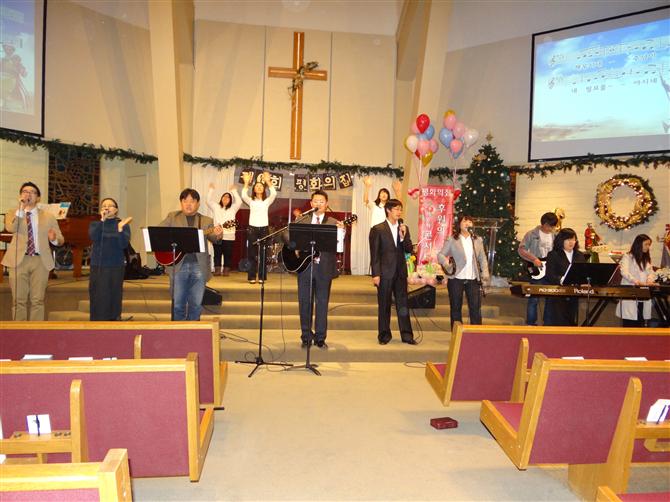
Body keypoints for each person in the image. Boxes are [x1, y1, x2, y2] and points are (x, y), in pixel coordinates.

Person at [2, 182, 64, 320]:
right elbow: (11, 228)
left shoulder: (48, 216)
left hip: (40, 260)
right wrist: (21, 210)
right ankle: (19, 330)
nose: (28, 194)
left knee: (38, 300)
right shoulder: (13, 213)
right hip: (19, 260)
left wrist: (54, 239)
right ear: (20, 195)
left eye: (32, 192)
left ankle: (36, 330)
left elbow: (61, 239)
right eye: (25, 191)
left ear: (38, 198)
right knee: (18, 300)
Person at [290, 190, 344, 349]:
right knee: (304, 302)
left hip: (324, 268)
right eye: (316, 201)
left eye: (322, 201)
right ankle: (306, 336)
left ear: (327, 204)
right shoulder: (302, 220)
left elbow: (339, 248)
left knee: (322, 302)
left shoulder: (334, 222)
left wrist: (341, 232)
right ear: (311, 203)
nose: (318, 204)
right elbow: (293, 244)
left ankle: (320, 337)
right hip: (305, 267)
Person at [159, 188, 223, 320]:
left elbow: (214, 238)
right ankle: (178, 330)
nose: (188, 204)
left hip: (198, 266)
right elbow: (159, 233)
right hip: (178, 265)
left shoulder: (206, 220)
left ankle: (193, 330)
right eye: (185, 201)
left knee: (196, 304)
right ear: (181, 203)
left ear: (198, 204)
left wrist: (218, 234)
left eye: (192, 201)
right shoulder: (172, 217)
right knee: (178, 304)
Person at [369, 198, 416, 345]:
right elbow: (374, 254)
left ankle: (407, 335)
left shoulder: (403, 228)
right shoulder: (378, 229)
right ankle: (384, 335)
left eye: (400, 209)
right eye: (396, 209)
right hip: (384, 272)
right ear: (388, 210)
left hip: (400, 272)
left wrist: (403, 237)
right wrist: (376, 274)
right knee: (384, 304)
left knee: (403, 305)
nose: (399, 212)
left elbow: (409, 249)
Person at [437, 214, 490, 329]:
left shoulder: (477, 240)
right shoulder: (452, 239)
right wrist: (448, 266)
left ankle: (476, 333)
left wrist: (485, 274)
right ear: (459, 224)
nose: (467, 224)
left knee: (475, 308)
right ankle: (457, 334)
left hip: (473, 279)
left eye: (470, 222)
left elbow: (482, 258)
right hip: (456, 278)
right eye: (464, 221)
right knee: (456, 307)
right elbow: (440, 255)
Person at [88, 198, 132, 321]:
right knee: (98, 295)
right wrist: (102, 220)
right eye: (104, 206)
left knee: (114, 294)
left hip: (116, 266)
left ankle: (114, 320)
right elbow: (93, 237)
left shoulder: (123, 225)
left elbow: (123, 244)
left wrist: (120, 229)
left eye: (110, 205)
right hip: (98, 266)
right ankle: (97, 322)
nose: (107, 207)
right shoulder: (96, 224)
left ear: (116, 210)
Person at [517, 212, 558, 325]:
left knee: (550, 297)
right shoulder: (531, 234)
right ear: (544, 224)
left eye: (553, 226)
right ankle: (531, 323)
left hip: (550, 269)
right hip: (537, 269)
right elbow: (521, 249)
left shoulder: (555, 236)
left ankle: (548, 323)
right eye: (550, 226)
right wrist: (534, 259)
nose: (551, 228)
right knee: (534, 298)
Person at [544, 228, 587, 326]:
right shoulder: (553, 255)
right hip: (558, 295)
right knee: (557, 322)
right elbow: (550, 275)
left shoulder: (579, 255)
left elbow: (583, 273)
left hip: (574, 294)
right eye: (568, 239)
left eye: (573, 239)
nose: (571, 242)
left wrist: (583, 281)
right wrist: (562, 279)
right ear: (561, 240)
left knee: (570, 323)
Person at [241, 172, 277, 284]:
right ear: (254, 190)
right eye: (257, 186)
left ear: (264, 189)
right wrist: (246, 182)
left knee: (263, 253)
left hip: (264, 229)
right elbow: (243, 195)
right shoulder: (251, 201)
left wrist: (268, 181)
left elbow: (274, 193)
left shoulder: (266, 201)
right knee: (251, 254)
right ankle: (252, 277)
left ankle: (262, 277)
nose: (259, 187)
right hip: (252, 229)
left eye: (261, 186)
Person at [616, 234, 657, 327]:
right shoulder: (628, 256)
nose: (648, 247)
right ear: (639, 244)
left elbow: (651, 272)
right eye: (646, 244)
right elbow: (624, 272)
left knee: (640, 321)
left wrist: (650, 280)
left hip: (643, 293)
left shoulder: (646, 258)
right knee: (629, 322)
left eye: (649, 244)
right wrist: (635, 281)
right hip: (631, 292)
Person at [206, 182, 241, 276]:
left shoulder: (233, 208)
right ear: (221, 198)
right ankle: (217, 270)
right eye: (224, 196)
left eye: (228, 197)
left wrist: (234, 191)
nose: (225, 198)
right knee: (217, 253)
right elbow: (208, 201)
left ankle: (226, 270)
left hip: (229, 235)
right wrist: (211, 190)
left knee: (227, 254)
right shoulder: (216, 206)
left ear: (230, 200)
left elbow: (239, 202)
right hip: (217, 234)